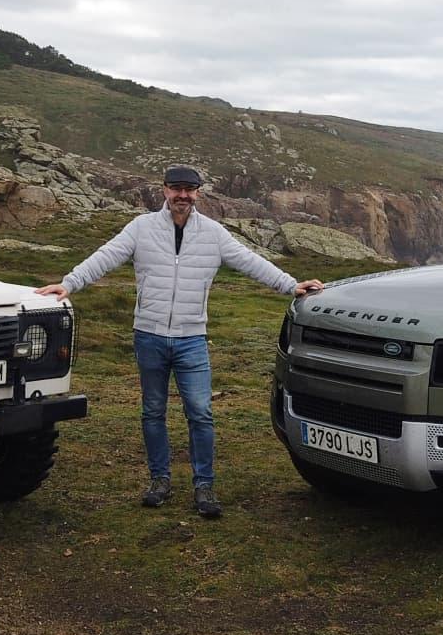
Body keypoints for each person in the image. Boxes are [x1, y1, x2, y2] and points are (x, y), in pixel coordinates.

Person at [35, 165, 324, 518]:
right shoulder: (141, 228)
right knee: (152, 411)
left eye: (189, 189)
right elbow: (106, 256)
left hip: (192, 340)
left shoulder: (214, 234)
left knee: (200, 413)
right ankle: (159, 480)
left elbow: (251, 262)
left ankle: (204, 485)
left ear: (198, 193)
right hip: (149, 336)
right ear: (164, 190)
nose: (182, 195)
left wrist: (290, 285)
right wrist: (69, 283)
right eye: (176, 189)